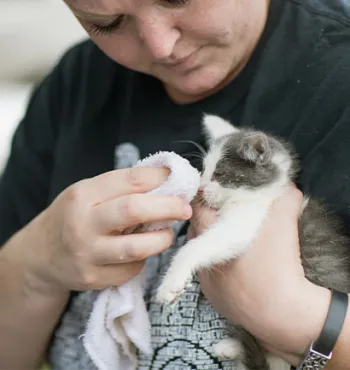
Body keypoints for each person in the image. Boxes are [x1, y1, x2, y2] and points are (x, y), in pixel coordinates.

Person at [0, 0, 350, 369]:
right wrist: (38, 262)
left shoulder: (338, 85)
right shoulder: (76, 86)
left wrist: (299, 318)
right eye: (108, 23)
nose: (160, 46)